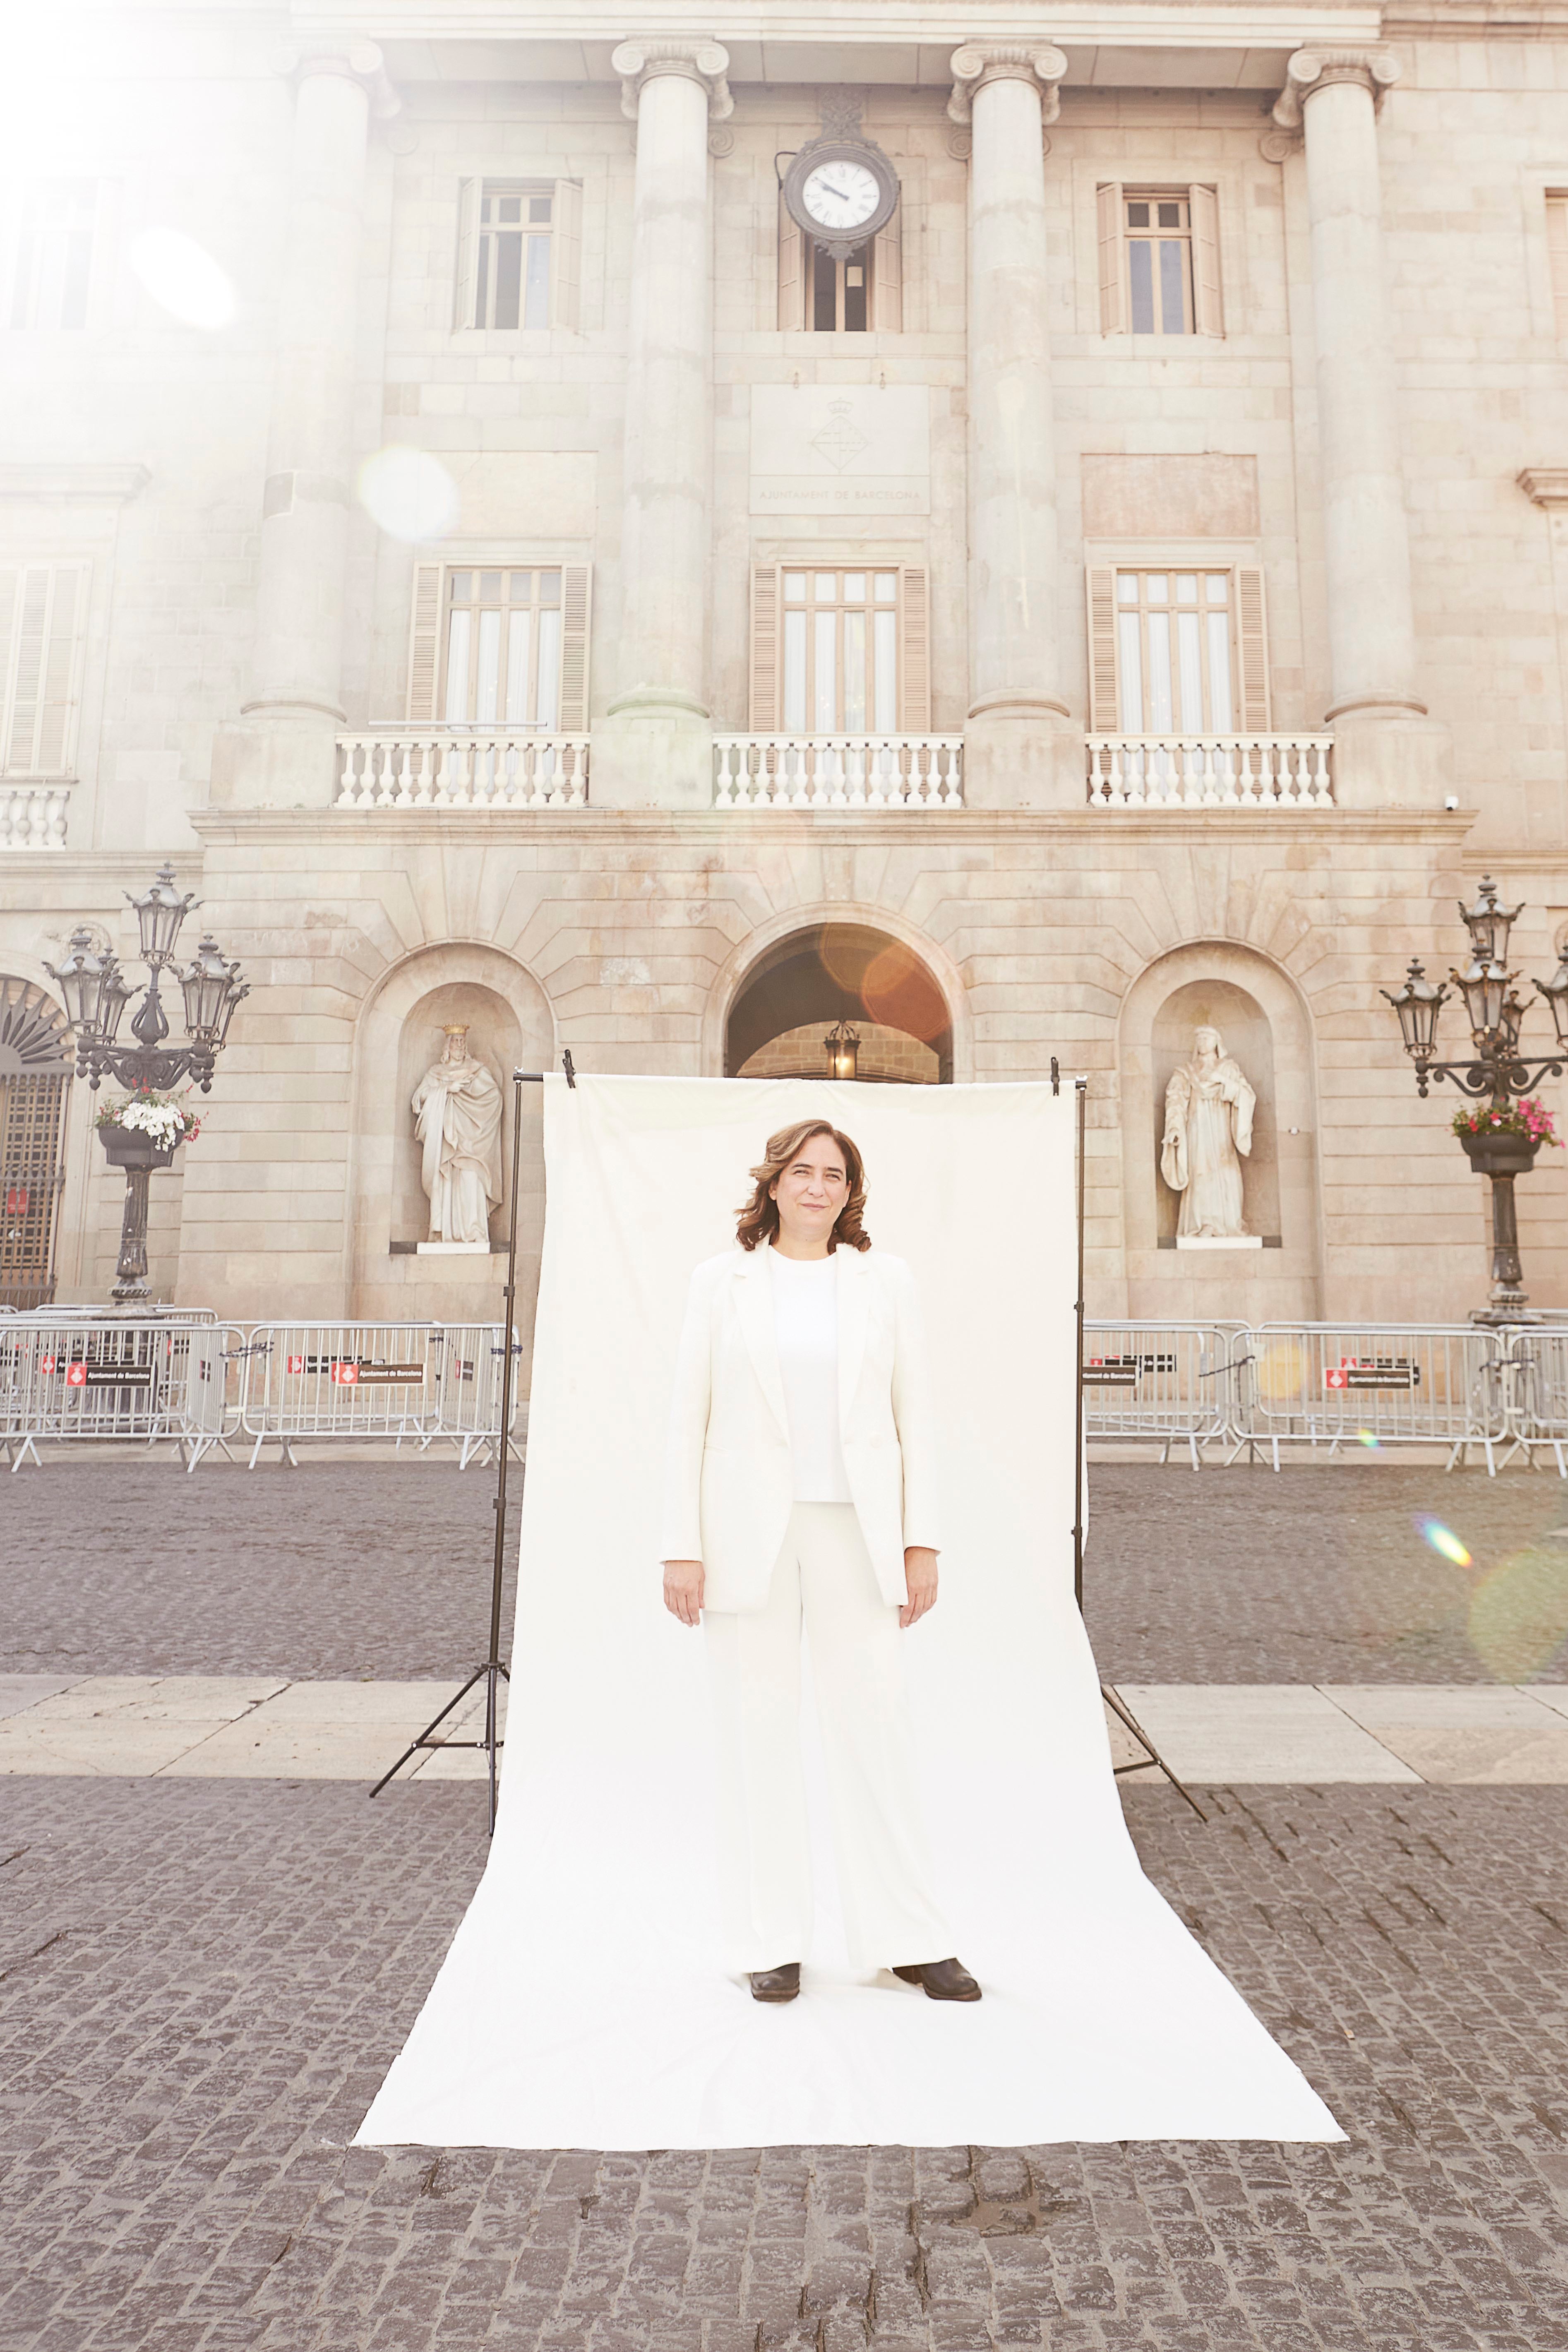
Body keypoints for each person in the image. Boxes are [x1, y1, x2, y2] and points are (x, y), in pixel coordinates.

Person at [660, 1117, 980, 2006]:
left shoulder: (886, 1283)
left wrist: (922, 1540)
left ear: (851, 1192)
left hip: (857, 1531)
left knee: (874, 1729)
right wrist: (679, 1547)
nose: (816, 1187)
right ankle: (768, 1942)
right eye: (801, 1171)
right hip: (742, 1538)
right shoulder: (718, 1284)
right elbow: (686, 1419)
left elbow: (917, 1416)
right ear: (771, 1184)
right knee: (756, 1734)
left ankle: (908, 1939)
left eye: (833, 1174)